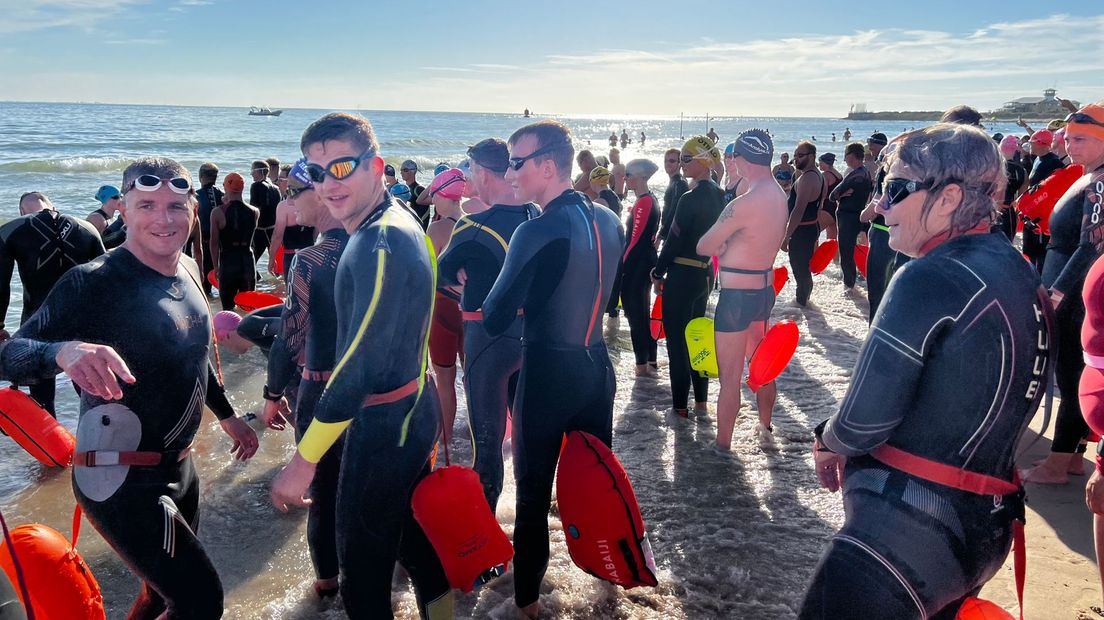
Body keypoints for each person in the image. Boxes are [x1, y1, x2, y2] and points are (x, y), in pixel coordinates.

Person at [801, 123, 1051, 618]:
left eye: (893, 189)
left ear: (948, 198)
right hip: (984, 528)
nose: (879, 207)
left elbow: (864, 420)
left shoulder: (929, 275)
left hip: (904, 534)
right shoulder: (1017, 267)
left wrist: (827, 441)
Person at [0, 157, 259, 618]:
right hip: (118, 475)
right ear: (124, 209)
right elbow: (11, 356)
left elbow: (194, 358)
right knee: (201, 602)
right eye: (147, 205)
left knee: (164, 595)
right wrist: (63, 352)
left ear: (193, 210)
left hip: (179, 468)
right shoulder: (93, 282)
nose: (164, 219)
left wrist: (229, 416)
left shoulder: (189, 272)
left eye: (176, 206)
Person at [269, 112, 451, 618]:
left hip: (384, 426)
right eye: (316, 172)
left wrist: (302, 462)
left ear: (376, 167)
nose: (329, 183)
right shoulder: (398, 222)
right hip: (412, 408)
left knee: (362, 574)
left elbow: (361, 365)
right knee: (412, 542)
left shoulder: (376, 243)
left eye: (344, 167)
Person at [481, 119, 622, 618]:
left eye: (516, 163)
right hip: (598, 371)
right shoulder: (610, 219)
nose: (508, 172)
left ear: (546, 166)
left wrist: (468, 291)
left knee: (535, 496)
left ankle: (527, 605)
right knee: (597, 482)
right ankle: (610, 584)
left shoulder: (535, 228)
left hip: (547, 375)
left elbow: (496, 314)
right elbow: (595, 292)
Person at [258, 158, 349, 599]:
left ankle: (327, 584)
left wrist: (272, 394)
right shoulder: (380, 244)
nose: (289, 202)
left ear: (322, 194)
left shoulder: (312, 260)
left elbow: (289, 337)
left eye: (294, 193)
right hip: (385, 394)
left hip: (324, 387)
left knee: (323, 493)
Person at [437, 137, 539, 511]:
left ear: (483, 171)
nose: (469, 180)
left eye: (470, 171)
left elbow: (439, 275)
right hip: (532, 338)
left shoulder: (472, 226)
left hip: (489, 341)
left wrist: (460, 274)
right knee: (527, 437)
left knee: (487, 440)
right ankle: (530, 521)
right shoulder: (538, 217)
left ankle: (486, 536)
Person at [1022, 102, 1104, 485]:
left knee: (1070, 373)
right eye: (1068, 138)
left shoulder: (1100, 182)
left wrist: (1056, 292)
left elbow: (1091, 246)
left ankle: (1057, 464)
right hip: (1071, 283)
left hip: (1075, 289)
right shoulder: (1087, 175)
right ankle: (1071, 455)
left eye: (1081, 139)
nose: (1071, 146)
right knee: (1070, 371)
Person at [698, 129, 787, 449]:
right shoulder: (779, 196)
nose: (731, 161)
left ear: (743, 159)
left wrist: (724, 243)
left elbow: (703, 245)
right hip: (763, 291)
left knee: (730, 378)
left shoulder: (744, 203)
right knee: (762, 366)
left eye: (734, 156)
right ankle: (766, 429)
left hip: (736, 296)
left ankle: (723, 448)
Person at [0, 192, 104, 415]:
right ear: (53, 206)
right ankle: (100, 444)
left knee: (42, 397)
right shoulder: (87, 228)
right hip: (83, 321)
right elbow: (106, 281)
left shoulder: (11, 230)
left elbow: (1, 285)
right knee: (93, 390)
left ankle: (49, 443)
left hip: (38, 321)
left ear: (22, 212)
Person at [651, 136, 725, 417]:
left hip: (682, 273)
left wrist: (658, 271)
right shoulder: (720, 195)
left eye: (686, 158)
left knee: (678, 343)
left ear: (704, 160)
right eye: (680, 158)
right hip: (705, 273)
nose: (682, 164)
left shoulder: (689, 198)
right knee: (699, 337)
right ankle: (702, 404)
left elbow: (674, 239)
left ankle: (680, 407)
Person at [426, 168, 467, 443]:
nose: (432, 201)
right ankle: (478, 436)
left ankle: (446, 438)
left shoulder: (437, 228)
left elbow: (427, 275)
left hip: (442, 310)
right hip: (470, 311)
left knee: (444, 380)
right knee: (473, 379)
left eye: (435, 195)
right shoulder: (475, 223)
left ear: (444, 195)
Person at [620, 159, 661, 377]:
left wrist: (622, 267)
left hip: (637, 265)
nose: (625, 178)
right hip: (645, 262)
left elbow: (634, 240)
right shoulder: (650, 199)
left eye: (628, 174)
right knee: (642, 314)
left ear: (640, 177)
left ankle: (641, 368)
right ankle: (650, 364)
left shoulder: (644, 202)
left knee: (636, 315)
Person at [782, 141, 826, 307]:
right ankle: (806, 305)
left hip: (802, 230)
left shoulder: (807, 179)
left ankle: (802, 306)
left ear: (812, 156)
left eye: (800, 156)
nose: (796, 159)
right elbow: (819, 205)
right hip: (811, 227)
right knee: (803, 268)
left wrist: (787, 236)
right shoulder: (819, 176)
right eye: (795, 156)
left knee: (800, 269)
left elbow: (798, 210)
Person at [209, 172, 259, 311]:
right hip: (247, 261)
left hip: (228, 262)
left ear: (225, 188)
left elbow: (213, 243)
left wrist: (216, 267)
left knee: (228, 308)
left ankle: (228, 332)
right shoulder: (254, 211)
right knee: (249, 307)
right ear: (243, 188)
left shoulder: (218, 212)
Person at [829, 142, 873, 290]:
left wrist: (841, 195)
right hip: (859, 215)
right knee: (854, 251)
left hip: (848, 218)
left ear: (852, 155)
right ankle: (855, 284)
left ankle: (849, 288)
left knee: (846, 254)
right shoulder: (865, 173)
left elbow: (832, 195)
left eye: (845, 155)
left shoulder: (856, 174)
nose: (844, 159)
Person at [1022, 129, 1066, 273]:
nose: (1030, 146)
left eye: (1032, 143)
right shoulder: (1037, 159)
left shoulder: (1054, 163)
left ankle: (1040, 283)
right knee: (1028, 250)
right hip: (1031, 212)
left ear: (1041, 144)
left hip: (1043, 216)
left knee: (1040, 254)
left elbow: (1057, 191)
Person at [267, 179, 318, 280]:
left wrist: (272, 259)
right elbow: (316, 231)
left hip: (291, 256)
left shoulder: (284, 206)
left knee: (291, 291)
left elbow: (277, 235)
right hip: (310, 255)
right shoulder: (315, 204)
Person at [195, 163, 222, 295]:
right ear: (216, 178)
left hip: (204, 243)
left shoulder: (195, 197)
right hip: (223, 245)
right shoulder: (223, 196)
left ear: (200, 177)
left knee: (204, 282)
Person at [248, 160, 282, 267]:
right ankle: (281, 282)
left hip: (260, 231)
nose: (251, 173)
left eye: (252, 170)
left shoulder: (256, 186)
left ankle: (254, 282)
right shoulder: (276, 188)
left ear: (259, 172)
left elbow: (255, 210)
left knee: (251, 261)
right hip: (273, 230)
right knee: (277, 262)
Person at [995, 135, 1027, 241]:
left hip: (992, 210)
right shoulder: (1022, 171)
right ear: (1015, 150)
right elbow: (1022, 197)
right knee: (1007, 244)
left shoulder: (993, 166)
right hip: (1009, 212)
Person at [659, 148, 690, 241]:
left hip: (674, 235)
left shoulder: (679, 183)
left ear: (680, 163)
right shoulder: (673, 182)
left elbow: (674, 210)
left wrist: (661, 235)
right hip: (670, 233)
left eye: (672, 161)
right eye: (665, 161)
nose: (667, 163)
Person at [818, 152, 842, 240]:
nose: (819, 164)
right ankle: (835, 254)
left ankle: (813, 253)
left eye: (820, 162)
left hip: (826, 208)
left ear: (825, 163)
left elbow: (822, 194)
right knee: (832, 240)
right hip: (836, 208)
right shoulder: (839, 175)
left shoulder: (825, 175)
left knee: (813, 233)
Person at [400, 159, 429, 228]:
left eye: (405, 170)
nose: (401, 172)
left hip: (419, 230)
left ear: (413, 171)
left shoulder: (419, 189)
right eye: (401, 170)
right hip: (410, 227)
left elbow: (425, 214)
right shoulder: (404, 189)